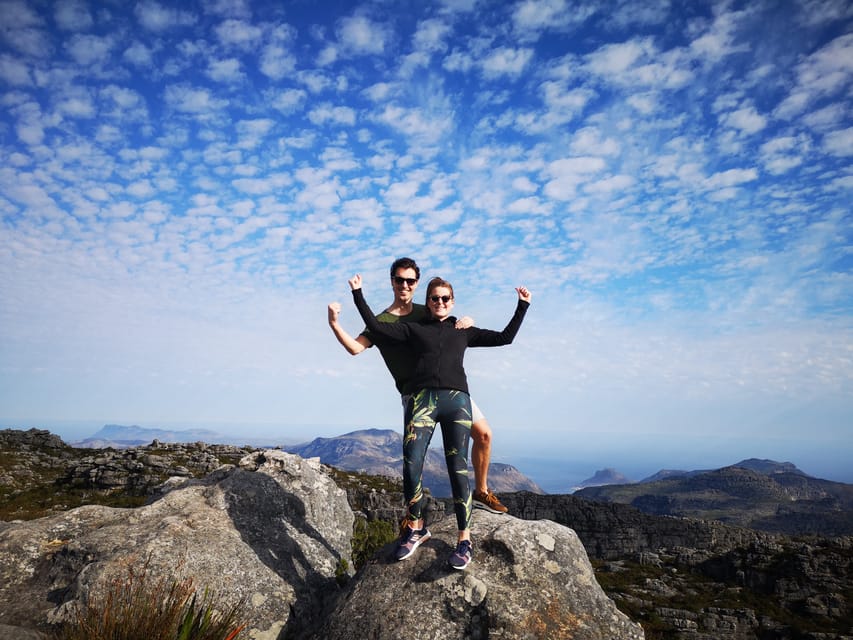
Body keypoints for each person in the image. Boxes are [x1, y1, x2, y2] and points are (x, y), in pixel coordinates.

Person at [348, 273, 531, 570]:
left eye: (445, 298)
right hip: (422, 400)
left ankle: (464, 540)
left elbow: (504, 338)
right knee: (410, 463)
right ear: (428, 302)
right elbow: (378, 328)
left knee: (457, 469)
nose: (440, 303)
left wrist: (522, 305)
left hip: (457, 401)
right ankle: (416, 526)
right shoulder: (414, 329)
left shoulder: (463, 330)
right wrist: (358, 294)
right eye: (435, 299)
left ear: (452, 302)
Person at [327, 257, 509, 514]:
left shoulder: (428, 309)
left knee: (484, 434)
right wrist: (334, 324)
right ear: (392, 282)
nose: (405, 285)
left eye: (410, 280)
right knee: (415, 460)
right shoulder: (382, 322)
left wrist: (467, 321)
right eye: (400, 280)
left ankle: (481, 491)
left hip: (449, 389)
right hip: (415, 395)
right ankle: (414, 521)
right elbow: (356, 348)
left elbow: (452, 324)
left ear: (416, 283)